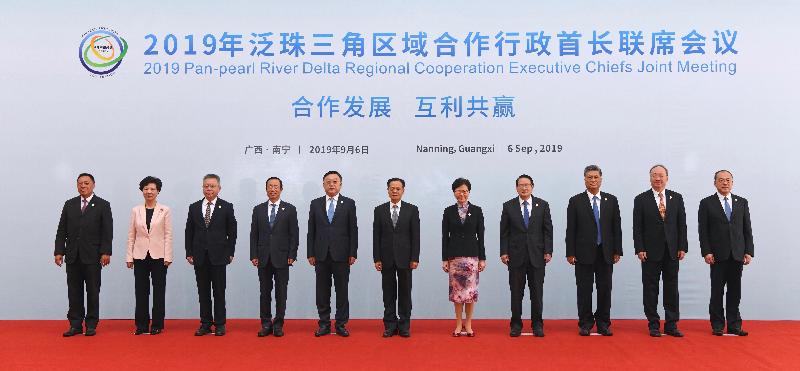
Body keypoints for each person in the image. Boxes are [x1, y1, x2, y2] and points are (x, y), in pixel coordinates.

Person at [566, 165, 622, 336]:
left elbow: (616, 227)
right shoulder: (575, 201)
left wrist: (617, 250)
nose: (593, 180)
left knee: (605, 289)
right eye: (589, 177)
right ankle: (585, 323)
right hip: (583, 253)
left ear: (601, 178)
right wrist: (570, 252)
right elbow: (571, 229)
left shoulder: (611, 200)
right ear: (584, 179)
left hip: (605, 252)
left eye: (596, 177)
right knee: (584, 289)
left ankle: (604, 323)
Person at [54, 173, 113, 337]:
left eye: (86, 183)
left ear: (93, 184)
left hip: (93, 256)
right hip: (72, 255)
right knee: (74, 291)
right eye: (80, 183)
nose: (83, 186)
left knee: (93, 291)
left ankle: (91, 324)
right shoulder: (69, 204)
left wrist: (106, 252)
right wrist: (59, 251)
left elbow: (107, 231)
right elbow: (61, 230)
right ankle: (75, 325)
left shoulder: (102, 205)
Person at [632, 165, 687, 337]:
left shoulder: (676, 198)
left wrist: (682, 246)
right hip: (650, 252)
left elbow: (681, 225)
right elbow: (637, 227)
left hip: (672, 251)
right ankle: (653, 324)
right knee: (650, 289)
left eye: (661, 176)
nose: (658, 178)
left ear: (667, 178)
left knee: (672, 288)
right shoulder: (641, 199)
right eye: (654, 175)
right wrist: (639, 248)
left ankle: (671, 324)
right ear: (650, 178)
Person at [698, 170, 754, 336]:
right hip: (717, 255)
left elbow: (747, 229)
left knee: (735, 291)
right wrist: (706, 251)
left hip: (737, 254)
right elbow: (703, 231)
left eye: (728, 180)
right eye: (721, 180)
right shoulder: (707, 203)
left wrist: (748, 251)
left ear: (732, 182)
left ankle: (734, 325)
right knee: (717, 291)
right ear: (714, 183)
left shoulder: (741, 202)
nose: (725, 183)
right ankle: (717, 324)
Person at [500, 174, 553, 337]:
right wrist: (504, 252)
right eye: (521, 185)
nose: (524, 188)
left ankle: (537, 324)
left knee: (537, 292)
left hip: (537, 256)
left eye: (527, 185)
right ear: (516, 187)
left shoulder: (542, 205)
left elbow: (547, 230)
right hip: (515, 256)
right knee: (516, 292)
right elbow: (504, 232)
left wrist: (548, 251)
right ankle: (516, 324)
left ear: (532, 187)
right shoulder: (508, 206)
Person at [185, 174, 237, 336]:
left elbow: (232, 232)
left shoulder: (227, 207)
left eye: (212, 186)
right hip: (199, 255)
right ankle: (205, 323)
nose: (209, 189)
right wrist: (189, 252)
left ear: (219, 188)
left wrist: (230, 252)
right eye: (206, 186)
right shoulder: (194, 207)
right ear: (202, 188)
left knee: (219, 291)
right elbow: (189, 232)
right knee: (203, 291)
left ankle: (220, 324)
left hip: (219, 255)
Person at [307, 171, 358, 337]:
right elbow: (311, 231)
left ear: (340, 184)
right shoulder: (315, 204)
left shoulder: (349, 203)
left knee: (342, 291)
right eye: (328, 182)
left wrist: (352, 252)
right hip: (320, 254)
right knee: (322, 291)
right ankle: (324, 324)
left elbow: (353, 230)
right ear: (323, 184)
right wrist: (310, 253)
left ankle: (341, 324)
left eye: (335, 181)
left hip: (342, 254)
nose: (331, 184)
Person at [250, 177, 298, 337]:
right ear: (266, 189)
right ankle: (265, 324)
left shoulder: (290, 209)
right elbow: (254, 234)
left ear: (281, 189)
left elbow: (294, 234)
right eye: (270, 186)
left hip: (283, 257)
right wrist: (254, 254)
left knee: (281, 292)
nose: (273, 189)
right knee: (264, 292)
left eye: (276, 186)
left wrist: (292, 254)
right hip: (263, 257)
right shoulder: (258, 209)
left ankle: (278, 325)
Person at [373, 178, 420, 338]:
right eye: (392, 188)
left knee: (405, 293)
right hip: (385, 258)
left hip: (406, 258)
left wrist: (415, 257)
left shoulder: (412, 210)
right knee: (388, 293)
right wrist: (376, 258)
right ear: (387, 190)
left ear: (403, 190)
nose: (394, 191)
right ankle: (390, 325)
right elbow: (376, 236)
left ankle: (405, 325)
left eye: (398, 188)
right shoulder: (379, 210)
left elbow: (416, 236)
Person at [125, 176, 173, 335]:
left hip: (159, 256)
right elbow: (131, 235)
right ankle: (141, 325)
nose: (149, 191)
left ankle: (157, 324)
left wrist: (168, 256)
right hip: (139, 255)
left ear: (158, 191)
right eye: (146, 189)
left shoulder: (164, 209)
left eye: (152, 189)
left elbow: (168, 234)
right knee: (140, 291)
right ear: (142, 191)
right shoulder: (135, 210)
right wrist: (129, 257)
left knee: (159, 291)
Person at [442, 178, 486, 337]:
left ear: (469, 192)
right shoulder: (448, 211)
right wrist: (444, 258)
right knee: (457, 293)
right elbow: (444, 236)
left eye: (465, 191)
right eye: (459, 190)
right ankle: (458, 324)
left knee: (470, 293)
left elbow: (481, 236)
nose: (462, 193)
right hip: (454, 257)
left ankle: (468, 324)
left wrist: (482, 258)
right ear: (454, 192)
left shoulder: (477, 210)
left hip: (472, 258)